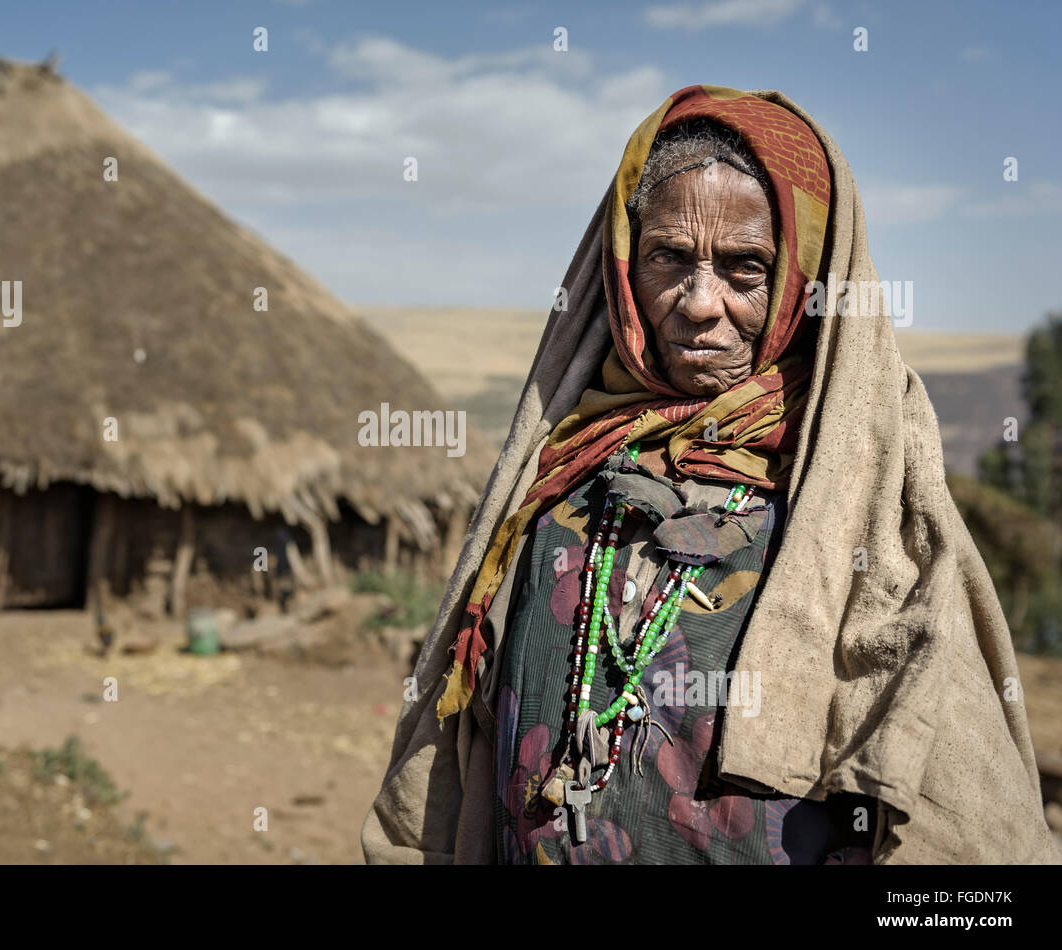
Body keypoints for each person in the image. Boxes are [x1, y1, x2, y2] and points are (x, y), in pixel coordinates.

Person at [362, 84, 1060, 865]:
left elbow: (962, 837)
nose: (699, 302)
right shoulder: (555, 485)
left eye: (744, 267)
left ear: (802, 280)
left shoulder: (871, 523)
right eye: (668, 257)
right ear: (625, 268)